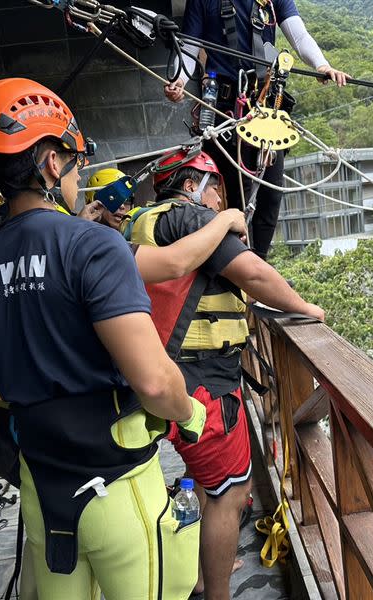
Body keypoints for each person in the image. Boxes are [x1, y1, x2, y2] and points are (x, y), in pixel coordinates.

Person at [0, 77, 207, 600]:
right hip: (114, 488)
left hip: (40, 489)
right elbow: (154, 382)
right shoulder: (92, 245)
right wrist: (189, 413)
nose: (79, 174)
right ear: (52, 162)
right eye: (75, 161)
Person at [121, 149, 324, 600]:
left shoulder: (138, 222)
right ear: (196, 184)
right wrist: (307, 308)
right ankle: (215, 593)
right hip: (204, 388)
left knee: (202, 486)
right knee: (229, 493)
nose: (220, 202)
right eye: (218, 190)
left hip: (149, 376)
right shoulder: (193, 220)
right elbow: (253, 272)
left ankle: (198, 571)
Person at [164, 0, 349, 260]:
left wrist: (321, 65)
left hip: (266, 106)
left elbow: (298, 34)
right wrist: (179, 79)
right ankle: (236, 266)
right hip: (226, 110)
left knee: (271, 195)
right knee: (234, 199)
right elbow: (189, 47)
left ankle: (258, 262)